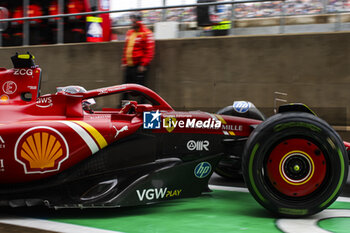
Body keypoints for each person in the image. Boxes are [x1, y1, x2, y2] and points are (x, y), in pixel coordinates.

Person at [121, 13, 155, 88]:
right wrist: (124, 62)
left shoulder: (147, 33)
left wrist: (143, 64)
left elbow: (149, 51)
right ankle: (124, 100)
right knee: (125, 89)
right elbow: (126, 48)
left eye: (134, 22)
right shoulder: (129, 33)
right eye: (132, 21)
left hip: (139, 67)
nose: (132, 23)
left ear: (139, 22)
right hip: (129, 66)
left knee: (141, 90)